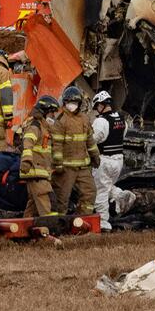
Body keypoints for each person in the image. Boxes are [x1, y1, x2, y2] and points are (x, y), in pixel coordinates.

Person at [51, 86, 99, 215]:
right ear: (64, 103)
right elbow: (57, 145)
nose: (71, 105)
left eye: (74, 103)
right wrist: (58, 164)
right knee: (62, 197)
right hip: (66, 168)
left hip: (83, 167)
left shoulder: (84, 119)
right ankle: (60, 224)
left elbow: (89, 140)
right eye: (69, 103)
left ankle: (83, 220)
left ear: (79, 103)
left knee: (90, 192)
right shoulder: (61, 120)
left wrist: (95, 155)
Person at [90, 90, 126, 232]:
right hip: (118, 161)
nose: (97, 110)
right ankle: (120, 195)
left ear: (101, 105)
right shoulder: (122, 119)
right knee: (107, 185)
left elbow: (92, 140)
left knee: (100, 191)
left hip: (104, 160)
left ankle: (103, 222)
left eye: (97, 107)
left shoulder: (101, 121)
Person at [20, 95, 60, 217]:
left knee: (32, 207)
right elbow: (28, 142)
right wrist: (26, 161)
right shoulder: (35, 126)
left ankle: (23, 230)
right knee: (48, 204)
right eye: (52, 113)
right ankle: (51, 230)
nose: (53, 116)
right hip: (36, 172)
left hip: (39, 172)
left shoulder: (44, 127)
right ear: (44, 112)